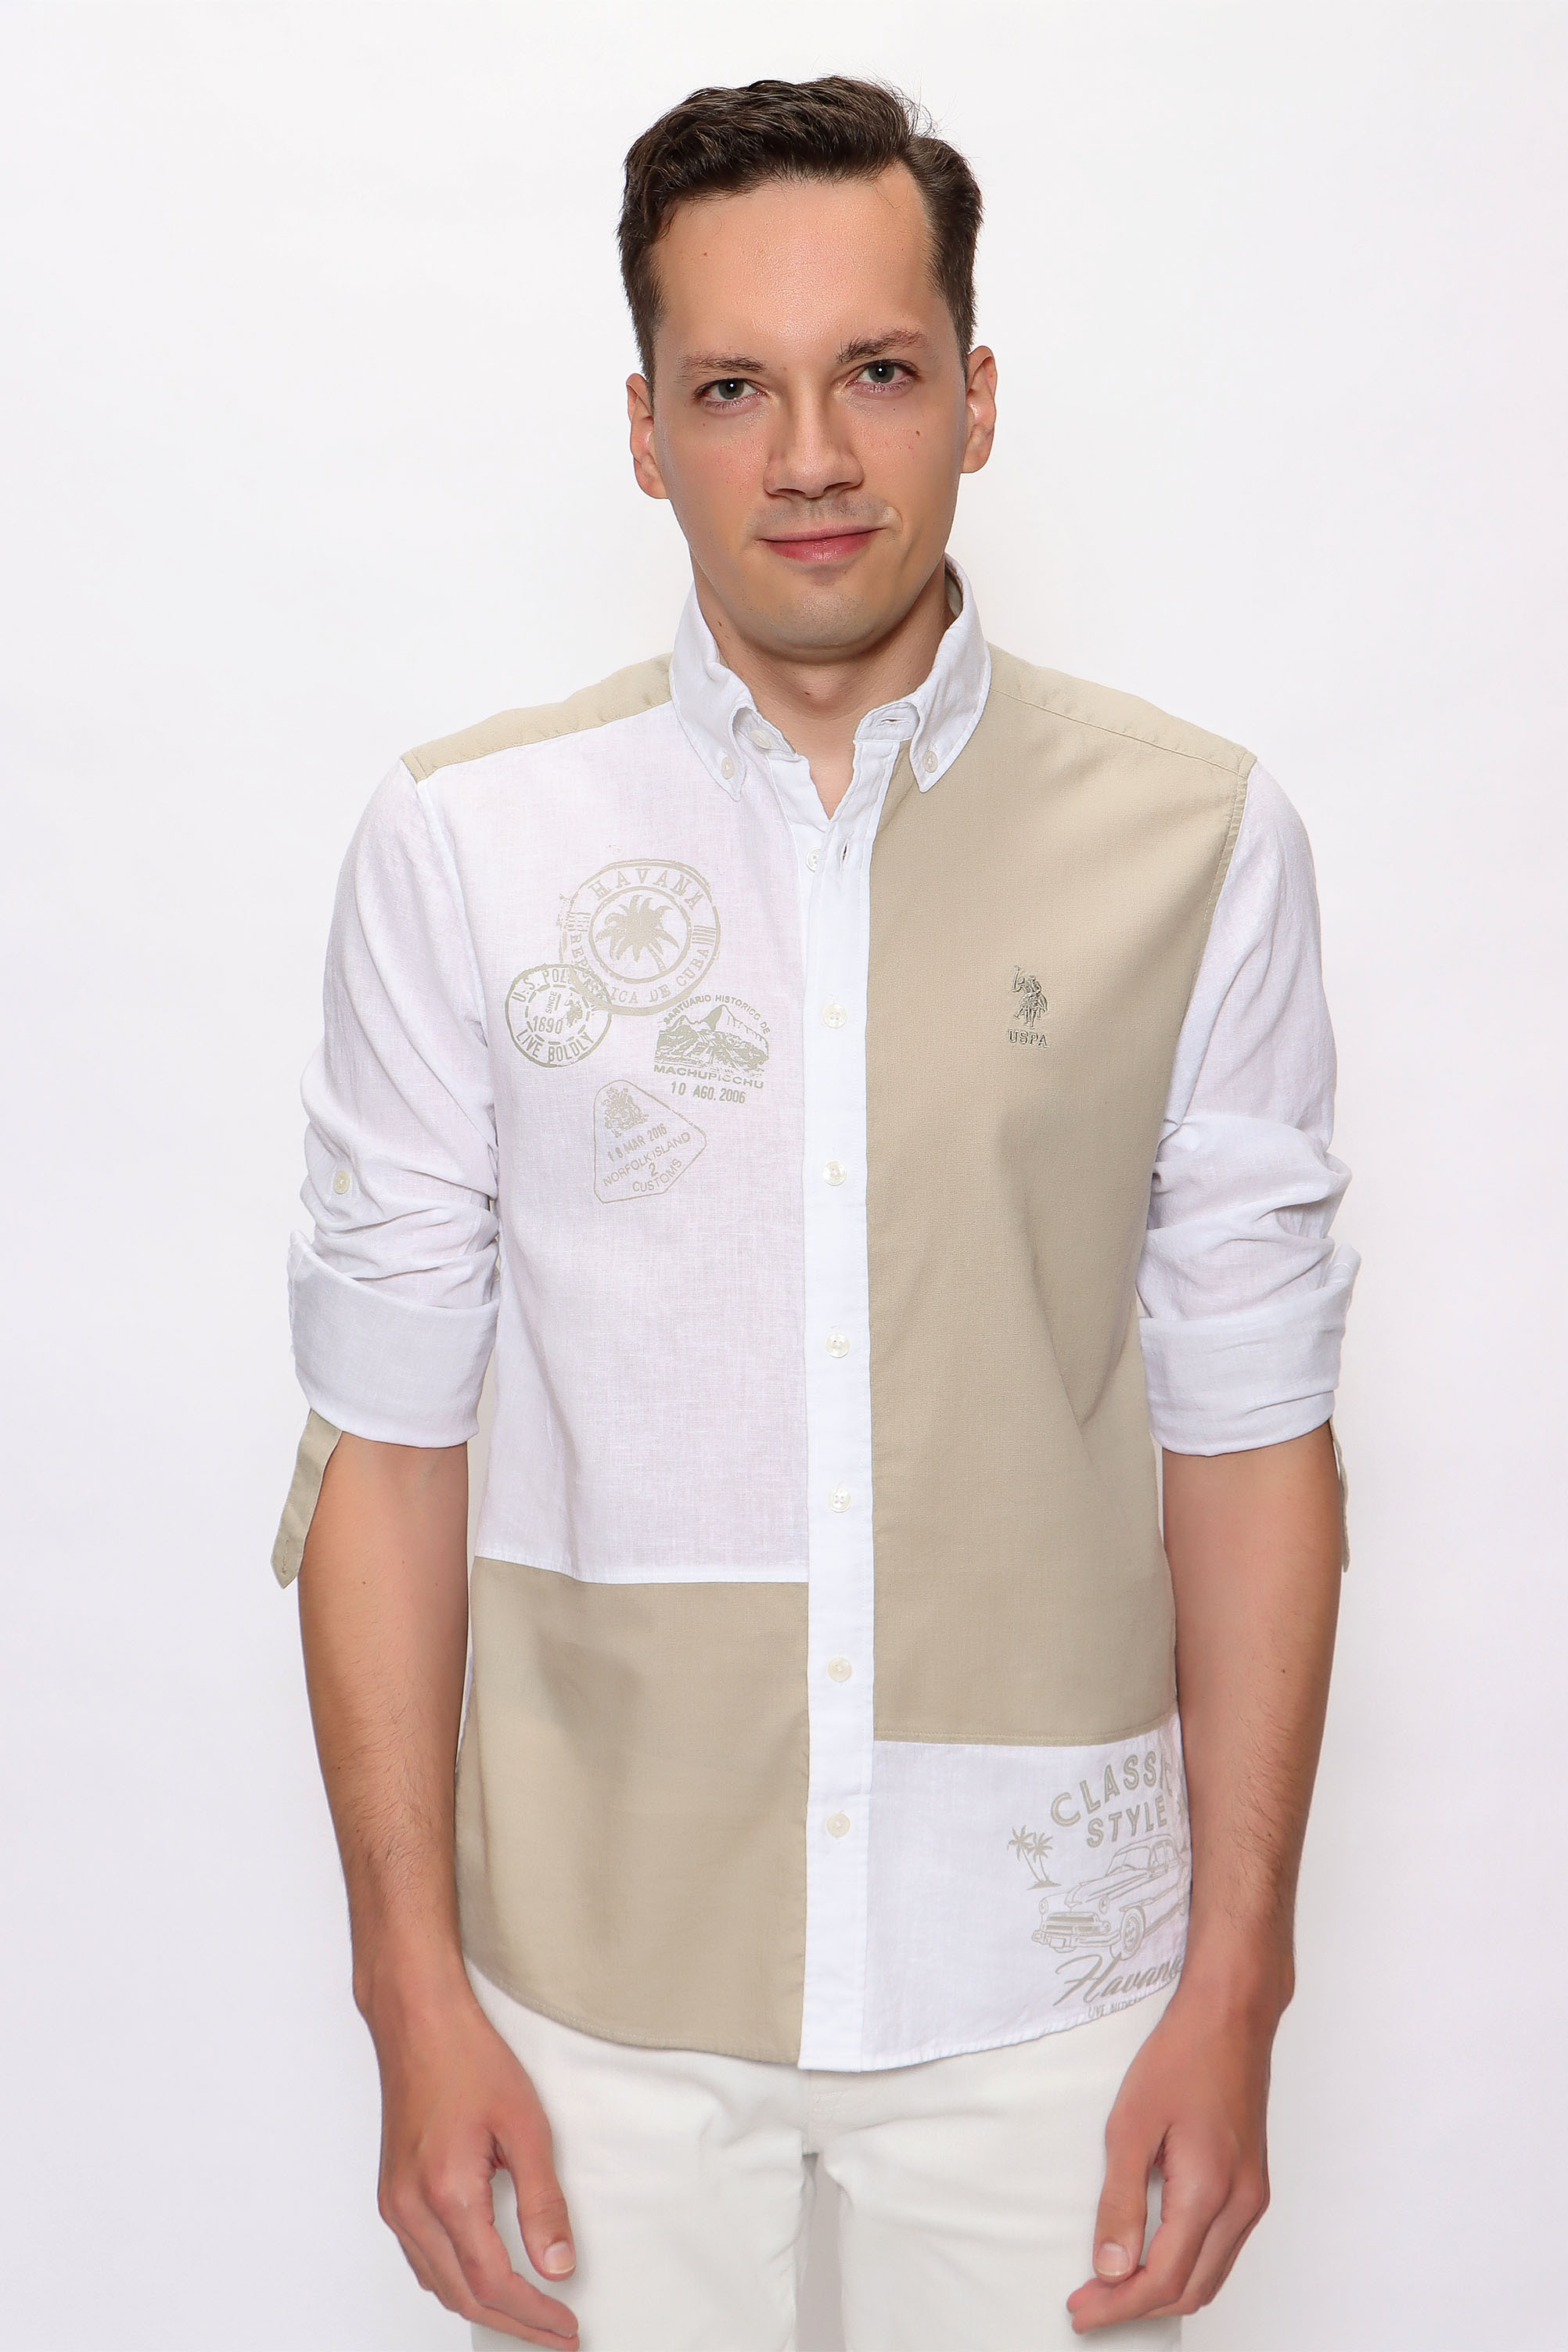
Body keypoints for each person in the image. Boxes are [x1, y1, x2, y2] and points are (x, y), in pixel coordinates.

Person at [272, 74, 1357, 2352]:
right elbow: (387, 1443)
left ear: (975, 395)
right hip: (587, 1983)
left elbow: (1254, 1433)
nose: (809, 457)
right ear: (643, 432)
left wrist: (1239, 1984)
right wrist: (410, 1995)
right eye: (729, 388)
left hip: (1058, 1991)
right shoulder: (470, 847)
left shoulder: (1194, 841)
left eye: (873, 371)